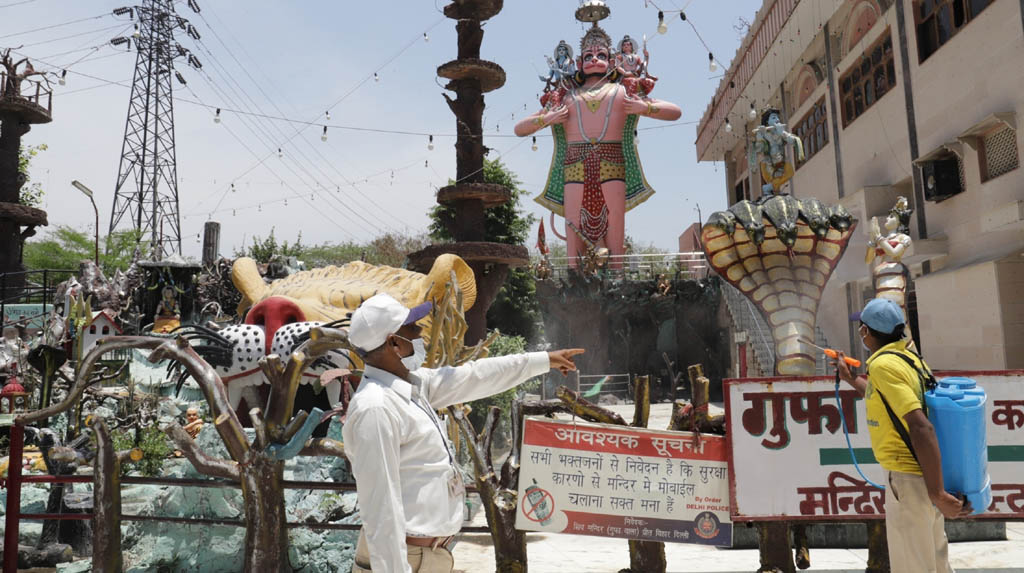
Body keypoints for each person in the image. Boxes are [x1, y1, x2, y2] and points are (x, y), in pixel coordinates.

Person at [343, 293, 584, 573]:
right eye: (412, 328)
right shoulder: (376, 408)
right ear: (394, 343)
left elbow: (475, 375)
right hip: (404, 560)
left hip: (428, 556)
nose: (421, 331)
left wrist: (543, 361)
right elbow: (380, 509)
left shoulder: (414, 387)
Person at [834, 298, 970, 572]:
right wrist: (850, 379)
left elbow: (921, 427)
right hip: (925, 474)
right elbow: (882, 398)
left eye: (862, 328)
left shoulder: (884, 366)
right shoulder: (909, 359)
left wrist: (938, 493)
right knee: (935, 563)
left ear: (866, 332)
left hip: (909, 481)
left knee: (913, 565)